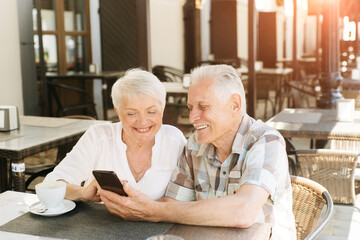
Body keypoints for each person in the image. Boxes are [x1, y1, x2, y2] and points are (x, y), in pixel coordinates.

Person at [98, 65, 296, 239]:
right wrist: (132, 206)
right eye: (191, 107)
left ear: (234, 105)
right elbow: (171, 204)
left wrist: (154, 211)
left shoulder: (266, 141)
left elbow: (243, 211)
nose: (192, 117)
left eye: (203, 107)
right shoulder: (195, 145)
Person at [44, 69, 186, 201]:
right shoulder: (98, 137)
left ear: (162, 109)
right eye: (131, 113)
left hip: (158, 227)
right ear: (118, 112)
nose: (143, 121)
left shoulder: (174, 140)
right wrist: (82, 193)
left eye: (151, 112)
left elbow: (187, 197)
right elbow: (50, 185)